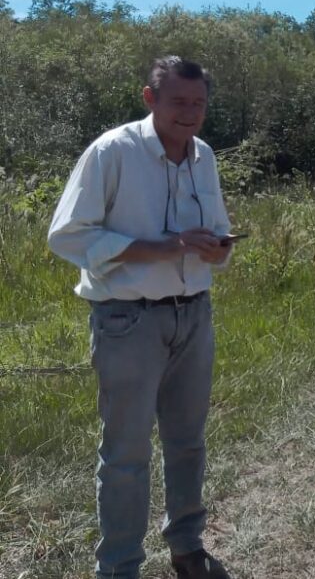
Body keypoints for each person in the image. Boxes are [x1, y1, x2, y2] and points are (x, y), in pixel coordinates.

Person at [47, 56, 235, 579]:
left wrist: (219, 249)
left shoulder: (204, 156)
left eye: (198, 104)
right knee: (126, 454)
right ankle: (120, 567)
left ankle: (187, 547)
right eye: (178, 102)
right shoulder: (113, 151)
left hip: (193, 314)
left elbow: (217, 228)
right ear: (150, 99)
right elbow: (67, 236)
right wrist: (160, 248)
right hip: (127, 320)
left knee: (188, 441)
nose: (190, 114)